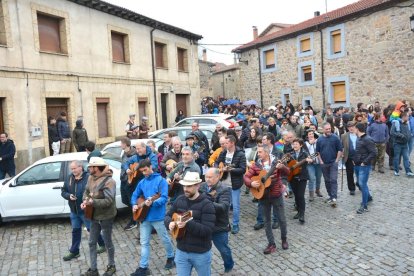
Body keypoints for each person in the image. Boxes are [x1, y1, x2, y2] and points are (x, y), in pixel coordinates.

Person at [165, 172, 215, 276]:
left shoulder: (207, 204)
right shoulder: (179, 199)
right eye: (184, 186)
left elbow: (207, 230)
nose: (185, 189)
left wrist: (187, 224)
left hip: (201, 253)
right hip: (181, 251)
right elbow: (167, 216)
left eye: (189, 186)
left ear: (197, 185)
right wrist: (169, 223)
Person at [130, 159, 175, 276]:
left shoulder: (161, 181)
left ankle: (171, 257)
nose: (144, 173)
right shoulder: (142, 182)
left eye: (145, 170)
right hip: (144, 217)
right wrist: (134, 204)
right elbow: (135, 194)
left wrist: (153, 203)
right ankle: (143, 267)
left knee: (164, 239)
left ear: (151, 167)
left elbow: (164, 198)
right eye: (142, 171)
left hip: (157, 217)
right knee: (144, 242)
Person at [244, 145, 289, 254]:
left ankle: (284, 239)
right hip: (263, 196)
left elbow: (287, 173)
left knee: (282, 219)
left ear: (266, 152)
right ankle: (271, 244)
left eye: (260, 152)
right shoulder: (256, 165)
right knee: (266, 220)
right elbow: (246, 177)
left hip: (276, 194)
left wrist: (282, 167)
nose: (258, 154)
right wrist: (251, 183)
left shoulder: (276, 162)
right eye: (258, 152)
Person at [61, 161, 105, 261]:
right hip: (74, 210)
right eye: (71, 169)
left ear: (80, 167)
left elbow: (95, 192)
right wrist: (68, 196)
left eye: (74, 168)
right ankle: (74, 251)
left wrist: (87, 201)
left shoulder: (89, 177)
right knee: (75, 230)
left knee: (91, 229)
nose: (73, 171)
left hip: (86, 210)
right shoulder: (69, 178)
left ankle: (102, 244)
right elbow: (63, 191)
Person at [81, 157, 117, 276]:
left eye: (91, 166)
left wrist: (93, 202)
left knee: (107, 242)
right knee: (92, 242)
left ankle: (111, 266)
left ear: (96, 168)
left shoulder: (109, 182)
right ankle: (93, 269)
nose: (89, 168)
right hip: (93, 215)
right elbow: (86, 192)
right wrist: (85, 201)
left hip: (106, 216)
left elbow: (108, 201)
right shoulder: (91, 177)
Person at [200, 168, 234, 274]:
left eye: (210, 177)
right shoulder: (202, 186)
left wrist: (206, 202)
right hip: (205, 225)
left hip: (219, 226)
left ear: (218, 177)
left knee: (223, 250)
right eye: (206, 177)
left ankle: (229, 265)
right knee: (203, 250)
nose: (208, 179)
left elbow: (223, 207)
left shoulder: (224, 189)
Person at [214, 135, 246, 234]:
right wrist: (219, 168)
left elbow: (243, 169)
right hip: (223, 183)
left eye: (226, 143)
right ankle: (225, 223)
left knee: (235, 206)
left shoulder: (240, 154)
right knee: (224, 205)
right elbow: (217, 162)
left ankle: (235, 224)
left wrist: (231, 169)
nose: (224, 145)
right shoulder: (223, 152)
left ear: (232, 143)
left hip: (234, 184)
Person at [316, 122, 343, 207]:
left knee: (333, 179)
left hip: (333, 163)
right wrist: (321, 161)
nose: (328, 130)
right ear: (323, 130)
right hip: (324, 163)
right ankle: (330, 195)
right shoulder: (320, 139)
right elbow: (318, 152)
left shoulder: (335, 138)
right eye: (326, 129)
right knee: (327, 180)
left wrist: (337, 160)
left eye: (329, 129)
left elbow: (340, 149)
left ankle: (334, 197)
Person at [353, 123, 377, 214]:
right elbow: (358, 151)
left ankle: (364, 205)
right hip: (357, 164)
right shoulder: (358, 138)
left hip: (364, 166)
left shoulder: (368, 139)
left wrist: (365, 162)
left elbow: (374, 152)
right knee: (360, 183)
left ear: (357, 129)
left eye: (355, 128)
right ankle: (369, 197)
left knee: (362, 184)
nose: (353, 130)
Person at [289, 138, 312, 223]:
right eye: (293, 144)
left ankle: (302, 214)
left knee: (300, 195)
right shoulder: (290, 154)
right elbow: (286, 164)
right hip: (292, 177)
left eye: (296, 144)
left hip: (302, 177)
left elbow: (310, 159)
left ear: (301, 145)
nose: (294, 145)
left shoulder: (305, 153)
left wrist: (309, 160)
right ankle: (298, 211)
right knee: (296, 195)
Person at [119, 137, 138, 231]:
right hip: (123, 179)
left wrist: (131, 171)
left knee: (131, 200)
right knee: (124, 199)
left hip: (129, 181)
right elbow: (123, 165)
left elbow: (136, 167)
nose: (120, 145)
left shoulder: (134, 154)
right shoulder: (123, 153)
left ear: (126, 144)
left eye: (121, 143)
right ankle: (135, 212)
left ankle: (134, 220)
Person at [390, 112, 414, 177]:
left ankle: (408, 171)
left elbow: (408, 132)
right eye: (407, 116)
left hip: (405, 144)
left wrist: (409, 136)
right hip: (397, 144)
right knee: (396, 158)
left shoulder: (407, 123)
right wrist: (401, 135)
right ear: (403, 116)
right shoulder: (396, 123)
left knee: (406, 158)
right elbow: (392, 132)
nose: (408, 118)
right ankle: (396, 171)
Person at [340, 121, 358, 195]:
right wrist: (342, 152)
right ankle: (352, 188)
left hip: (358, 157)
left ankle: (359, 184)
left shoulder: (359, 134)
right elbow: (341, 146)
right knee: (349, 174)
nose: (351, 128)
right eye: (349, 127)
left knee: (359, 173)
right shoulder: (344, 136)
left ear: (355, 127)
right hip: (349, 157)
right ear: (347, 128)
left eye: (352, 126)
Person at [305, 130, 323, 199]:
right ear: (307, 136)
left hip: (318, 163)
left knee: (318, 178)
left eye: (312, 134)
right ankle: (311, 194)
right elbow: (305, 152)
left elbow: (320, 150)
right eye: (309, 134)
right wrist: (310, 144)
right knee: (311, 178)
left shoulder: (318, 142)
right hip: (310, 164)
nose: (311, 135)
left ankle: (317, 190)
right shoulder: (305, 143)